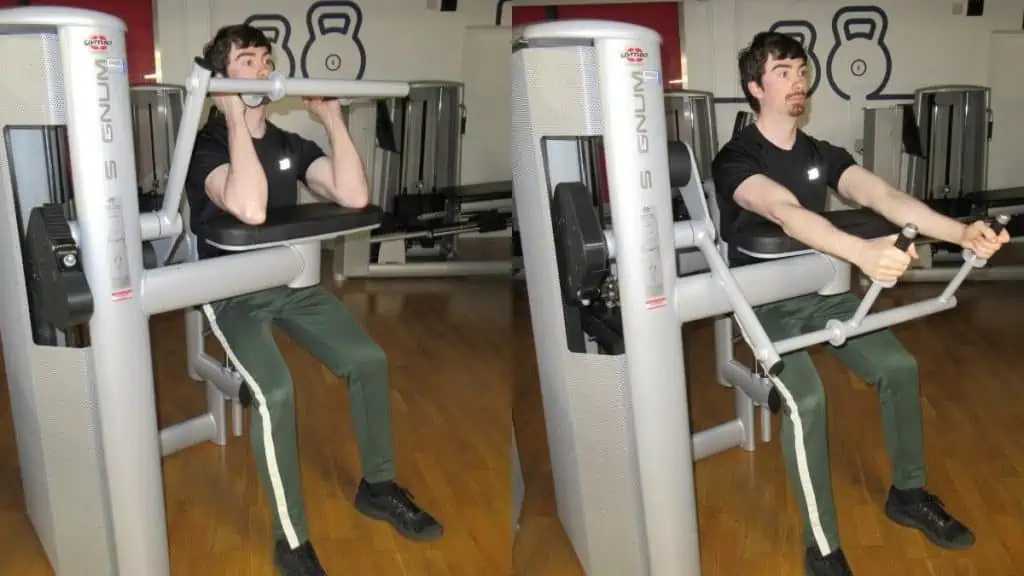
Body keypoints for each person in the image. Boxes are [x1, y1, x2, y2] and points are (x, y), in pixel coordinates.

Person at [711, 32, 1009, 576]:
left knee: (899, 367)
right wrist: (861, 254)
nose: (797, 80)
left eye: (801, 70)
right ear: (755, 88)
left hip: (821, 295)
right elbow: (783, 212)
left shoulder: (820, 154)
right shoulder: (736, 157)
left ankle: (909, 495)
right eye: (782, 71)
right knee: (807, 400)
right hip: (763, 304)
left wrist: (963, 234)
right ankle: (821, 548)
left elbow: (885, 198)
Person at [184, 25, 444, 575]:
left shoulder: (287, 144)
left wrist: (331, 119)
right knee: (276, 393)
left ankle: (378, 487)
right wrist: (232, 116)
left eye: (264, 59)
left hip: (289, 285)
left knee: (368, 360)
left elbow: (353, 194)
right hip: (228, 295)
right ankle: (292, 542)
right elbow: (249, 209)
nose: (260, 69)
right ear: (223, 76)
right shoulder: (203, 145)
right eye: (246, 60)